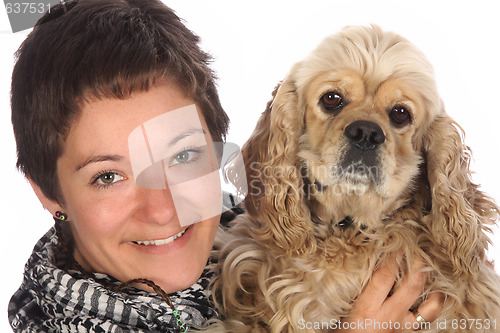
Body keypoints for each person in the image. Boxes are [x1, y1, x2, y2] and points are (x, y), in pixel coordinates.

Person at [8, 0, 441, 332]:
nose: (163, 210)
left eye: (182, 156)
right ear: (47, 192)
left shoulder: (258, 240)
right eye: (108, 176)